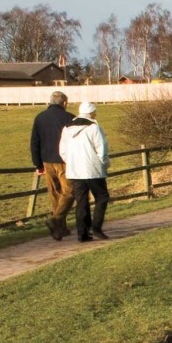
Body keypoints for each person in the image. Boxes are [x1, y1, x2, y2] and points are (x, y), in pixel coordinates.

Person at [58, 101, 111, 243]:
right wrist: (104, 164)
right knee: (102, 197)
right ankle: (96, 227)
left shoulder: (67, 128)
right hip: (93, 169)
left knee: (81, 201)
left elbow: (62, 151)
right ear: (92, 113)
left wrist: (71, 162)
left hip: (74, 170)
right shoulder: (94, 127)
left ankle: (82, 233)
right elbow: (102, 149)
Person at [30, 91, 75, 240]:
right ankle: (56, 221)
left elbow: (35, 143)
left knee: (55, 193)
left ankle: (59, 229)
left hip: (47, 161)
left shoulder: (40, 118)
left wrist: (38, 164)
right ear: (64, 103)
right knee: (70, 192)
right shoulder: (69, 118)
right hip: (64, 161)